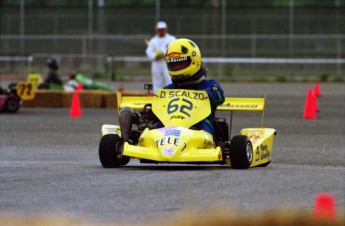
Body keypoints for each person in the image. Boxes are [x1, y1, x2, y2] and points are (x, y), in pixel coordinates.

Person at [120, 38, 224, 140]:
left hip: (198, 127)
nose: (177, 67)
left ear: (194, 61)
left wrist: (205, 94)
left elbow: (219, 95)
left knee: (203, 126)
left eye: (181, 63)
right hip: (167, 126)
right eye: (173, 64)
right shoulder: (167, 90)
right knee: (150, 123)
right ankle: (129, 141)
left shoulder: (209, 85)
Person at [145, 21, 176, 93]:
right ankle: (157, 96)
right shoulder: (153, 41)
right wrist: (155, 56)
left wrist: (164, 53)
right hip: (156, 63)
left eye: (163, 29)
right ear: (157, 30)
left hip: (168, 63)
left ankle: (170, 96)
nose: (161, 31)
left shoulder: (171, 39)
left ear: (166, 29)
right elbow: (148, 51)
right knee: (157, 81)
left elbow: (175, 49)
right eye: (160, 29)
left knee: (169, 79)